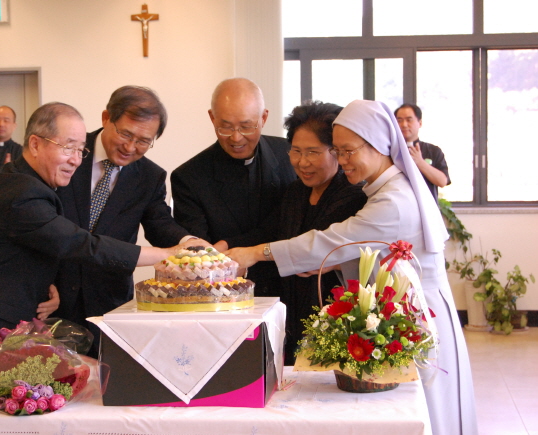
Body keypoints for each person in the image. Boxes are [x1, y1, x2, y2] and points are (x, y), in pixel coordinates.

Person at [227, 100, 478, 435]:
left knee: (421, 411)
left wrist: (257, 253)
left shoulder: (392, 201)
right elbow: (357, 248)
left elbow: (332, 241)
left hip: (418, 313)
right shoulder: (384, 188)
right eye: (338, 151)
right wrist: (327, 259)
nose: (342, 160)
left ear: (378, 144)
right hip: (408, 309)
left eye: (347, 151)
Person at [0, 102, 182, 400]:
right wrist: (166, 255)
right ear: (35, 144)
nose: (76, 160)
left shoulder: (28, 180)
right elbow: (79, 243)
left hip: (9, 324)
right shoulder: (23, 191)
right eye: (68, 148)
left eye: (80, 150)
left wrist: (46, 284)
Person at [54, 86, 200, 356]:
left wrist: (188, 241)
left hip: (107, 301)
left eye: (144, 141)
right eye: (125, 134)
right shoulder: (68, 150)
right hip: (51, 295)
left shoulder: (150, 176)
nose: (131, 147)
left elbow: (159, 223)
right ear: (106, 118)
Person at [171, 77, 297, 297]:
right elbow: (202, 253)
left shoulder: (292, 155)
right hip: (226, 294)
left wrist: (232, 244)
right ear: (212, 118)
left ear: (264, 118)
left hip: (294, 287)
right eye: (226, 127)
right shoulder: (189, 177)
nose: (236, 138)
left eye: (246, 126)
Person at [278, 101, 367, 365]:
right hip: (293, 311)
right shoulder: (294, 192)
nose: (302, 162)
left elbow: (314, 256)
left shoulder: (354, 195)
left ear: (336, 151)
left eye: (313, 152)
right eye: (296, 151)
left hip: (335, 316)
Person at [394, 103, 450, 202]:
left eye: (409, 120)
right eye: (399, 121)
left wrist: (420, 162)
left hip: (427, 207)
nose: (404, 125)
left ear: (420, 123)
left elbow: (442, 181)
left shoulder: (433, 150)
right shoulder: (389, 151)